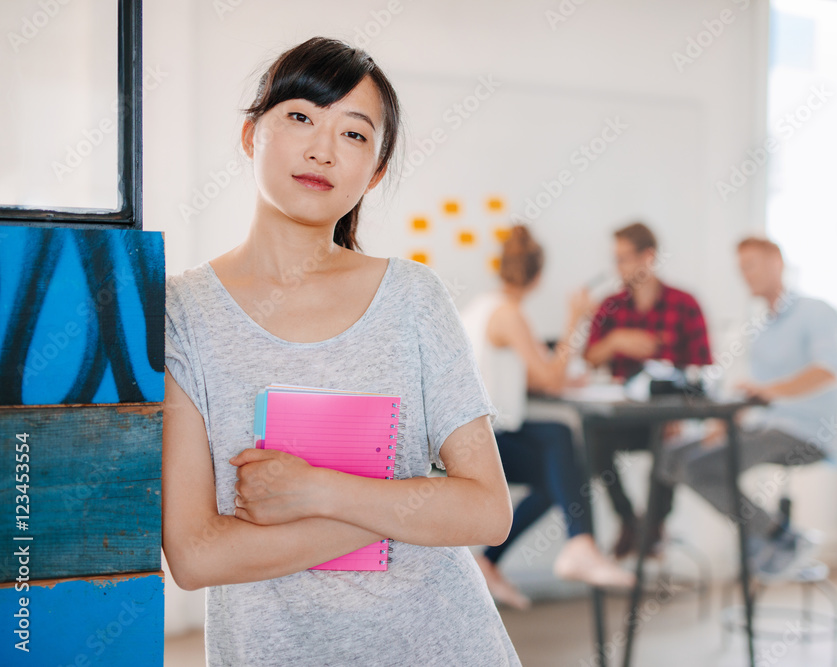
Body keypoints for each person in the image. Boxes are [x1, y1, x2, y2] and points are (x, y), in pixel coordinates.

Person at [160, 38, 522, 666]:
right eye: (300, 116)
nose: (322, 150)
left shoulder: (413, 298)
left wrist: (320, 491)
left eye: (354, 135)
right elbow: (196, 555)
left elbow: (487, 511)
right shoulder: (182, 312)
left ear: (374, 172)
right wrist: (409, 506)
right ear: (251, 135)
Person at [461, 225, 636, 610]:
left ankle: (490, 562)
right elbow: (551, 378)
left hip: (477, 437)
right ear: (537, 276)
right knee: (559, 437)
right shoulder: (509, 314)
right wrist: (576, 318)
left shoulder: (482, 307)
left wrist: (560, 381)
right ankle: (581, 544)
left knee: (557, 477)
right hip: (482, 443)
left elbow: (530, 379)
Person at [657, 236, 837, 578]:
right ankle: (654, 540)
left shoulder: (815, 311)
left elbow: (827, 371)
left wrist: (768, 391)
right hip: (764, 424)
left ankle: (777, 536)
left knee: (700, 469)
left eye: (751, 265)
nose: (745, 275)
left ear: (778, 262)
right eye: (740, 268)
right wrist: (725, 423)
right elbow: (759, 395)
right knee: (671, 455)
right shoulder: (764, 329)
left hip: (804, 431)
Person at [583, 222, 713, 559]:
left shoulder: (684, 304)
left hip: (669, 420)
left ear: (648, 257)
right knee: (591, 438)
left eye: (625, 258)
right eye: (616, 259)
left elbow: (703, 370)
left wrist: (681, 412)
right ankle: (630, 521)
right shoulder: (610, 306)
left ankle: (652, 529)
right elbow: (590, 359)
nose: (619, 267)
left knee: (669, 445)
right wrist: (615, 342)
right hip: (623, 419)